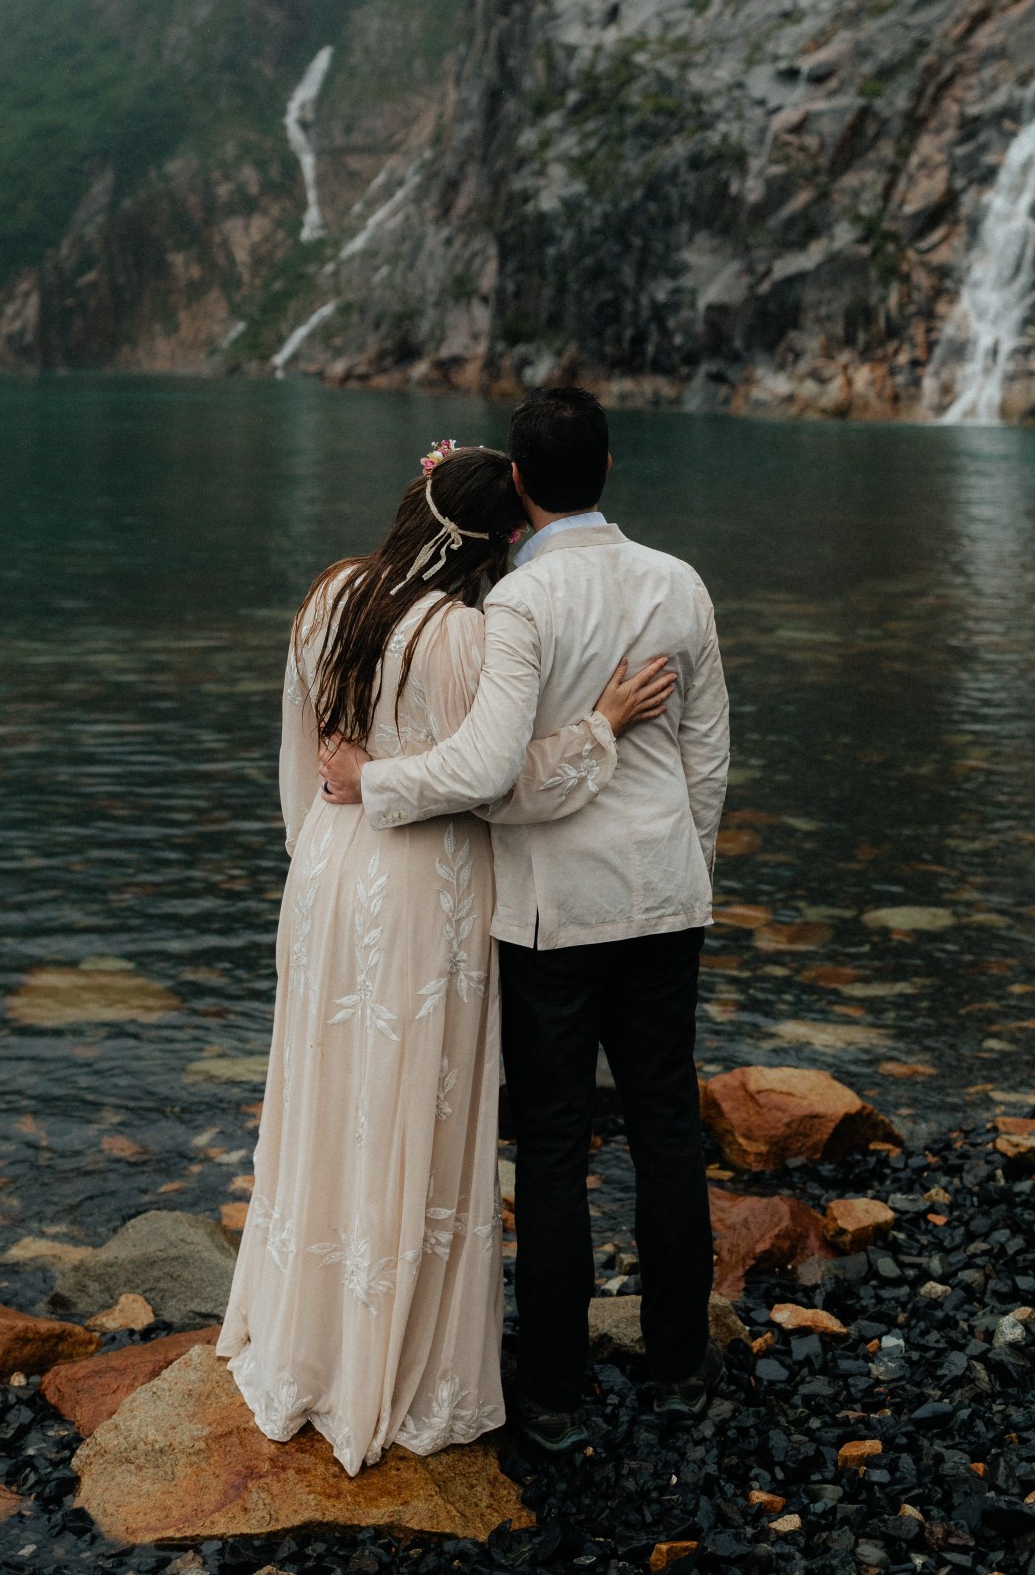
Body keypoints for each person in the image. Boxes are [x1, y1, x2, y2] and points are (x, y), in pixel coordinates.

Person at [218, 440, 673, 1475]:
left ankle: (303, 1338)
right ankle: (394, 1359)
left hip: (327, 869)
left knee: (327, 1095)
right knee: (412, 1104)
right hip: (427, 884)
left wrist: (315, 851)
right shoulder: (466, 633)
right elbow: (498, 784)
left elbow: (298, 755)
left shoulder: (329, 596)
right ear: (496, 542)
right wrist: (601, 728)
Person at [322, 386, 730, 1448]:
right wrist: (688, 868)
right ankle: (679, 1364)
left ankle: (552, 1390)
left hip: (555, 913)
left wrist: (374, 782)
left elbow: (489, 772)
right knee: (667, 1129)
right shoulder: (679, 582)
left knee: (551, 1147)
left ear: (517, 481)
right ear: (611, 465)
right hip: (665, 898)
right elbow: (707, 754)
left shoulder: (519, 604)